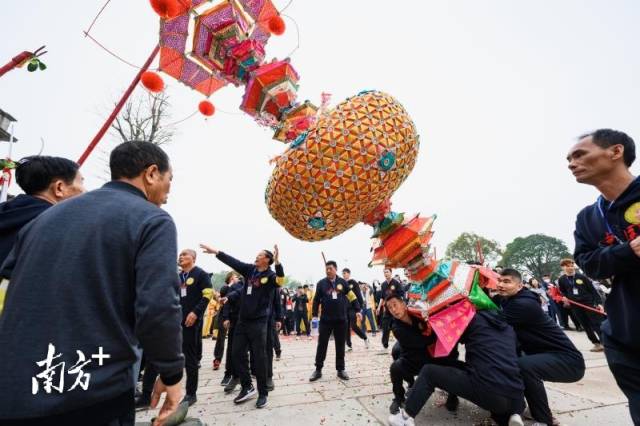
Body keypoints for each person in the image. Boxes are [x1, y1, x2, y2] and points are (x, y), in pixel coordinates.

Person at [0, 141, 183, 425]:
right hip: (92, 392)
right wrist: (172, 373)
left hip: (17, 392)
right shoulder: (151, 219)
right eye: (170, 179)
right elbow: (157, 308)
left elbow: (12, 281)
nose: (169, 191)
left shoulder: (42, 220)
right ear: (151, 173)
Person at [568, 128, 640, 423]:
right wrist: (628, 251)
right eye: (569, 159)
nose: (572, 164)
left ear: (616, 151)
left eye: (579, 155)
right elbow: (589, 263)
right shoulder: (588, 217)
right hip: (625, 337)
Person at [388, 309, 525, 426]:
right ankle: (512, 414)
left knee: (429, 372)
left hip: (487, 389)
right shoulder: (508, 328)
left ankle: (405, 417)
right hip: (516, 397)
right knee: (454, 365)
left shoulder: (471, 319)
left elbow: (445, 336)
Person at [495, 269, 585, 426]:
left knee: (524, 366)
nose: (501, 285)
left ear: (520, 286)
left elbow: (494, 322)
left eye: (507, 281)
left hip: (568, 361)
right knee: (519, 364)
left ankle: (544, 420)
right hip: (545, 355)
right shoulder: (510, 299)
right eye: (499, 281)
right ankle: (532, 409)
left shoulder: (523, 305)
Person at [200, 244, 284, 409]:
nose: (256, 256)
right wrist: (217, 252)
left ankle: (263, 392)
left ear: (267, 260)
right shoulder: (250, 270)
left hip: (259, 322)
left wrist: (278, 263)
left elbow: (280, 281)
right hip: (242, 320)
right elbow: (233, 262)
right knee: (236, 353)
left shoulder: (270, 276)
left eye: (260, 255)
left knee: (259, 357)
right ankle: (247, 386)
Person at [0, 155, 85, 267]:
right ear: (59, 188)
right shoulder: (58, 226)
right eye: (81, 182)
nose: (85, 191)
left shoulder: (6, 211)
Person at [385, 294, 459, 415]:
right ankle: (399, 398)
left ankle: (453, 395)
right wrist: (431, 331)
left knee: (453, 360)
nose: (393, 310)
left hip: (434, 356)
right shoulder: (396, 327)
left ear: (403, 304)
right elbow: (423, 341)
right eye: (390, 308)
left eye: (395, 305)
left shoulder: (417, 313)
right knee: (395, 367)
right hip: (414, 359)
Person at [309, 261, 362, 382]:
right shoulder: (321, 283)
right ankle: (318, 369)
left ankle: (340, 369)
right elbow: (316, 300)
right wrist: (314, 315)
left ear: (336, 269)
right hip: (326, 320)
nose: (328, 271)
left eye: (330, 269)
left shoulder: (343, 282)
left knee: (340, 344)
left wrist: (358, 310)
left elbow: (352, 296)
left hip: (341, 319)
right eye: (326, 269)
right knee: (322, 344)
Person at [177, 249, 213, 406]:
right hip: (175, 321)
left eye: (184, 254)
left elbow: (208, 295)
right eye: (180, 255)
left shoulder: (201, 274)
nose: (181, 257)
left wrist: (195, 313)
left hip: (191, 322)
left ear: (193, 258)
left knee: (190, 357)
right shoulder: (179, 277)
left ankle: (191, 394)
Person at [557, 259, 604, 352]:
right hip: (575, 306)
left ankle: (605, 342)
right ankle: (596, 344)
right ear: (563, 267)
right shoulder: (562, 280)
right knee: (585, 325)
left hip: (588, 303)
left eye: (571, 265)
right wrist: (564, 297)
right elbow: (563, 291)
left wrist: (599, 303)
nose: (570, 267)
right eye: (567, 266)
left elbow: (593, 290)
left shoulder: (582, 277)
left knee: (597, 323)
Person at [220, 273, 244, 392]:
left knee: (249, 351)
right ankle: (229, 374)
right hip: (235, 320)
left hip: (252, 321)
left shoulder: (257, 283)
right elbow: (227, 302)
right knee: (231, 349)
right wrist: (226, 317)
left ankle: (246, 375)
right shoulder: (235, 286)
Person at [342, 268, 369, 350]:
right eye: (343, 273)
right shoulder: (342, 284)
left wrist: (360, 307)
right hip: (344, 308)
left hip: (353, 307)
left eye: (345, 273)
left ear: (349, 273)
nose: (344, 275)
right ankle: (348, 345)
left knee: (353, 326)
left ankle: (365, 338)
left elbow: (358, 294)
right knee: (346, 326)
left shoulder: (353, 282)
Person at [377, 268, 404, 349]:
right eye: (384, 272)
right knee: (385, 326)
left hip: (396, 308)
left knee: (397, 326)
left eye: (387, 272)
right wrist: (379, 307)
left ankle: (402, 343)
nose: (386, 274)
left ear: (391, 273)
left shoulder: (396, 283)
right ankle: (385, 345)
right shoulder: (383, 284)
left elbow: (401, 295)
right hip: (387, 309)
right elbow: (382, 297)